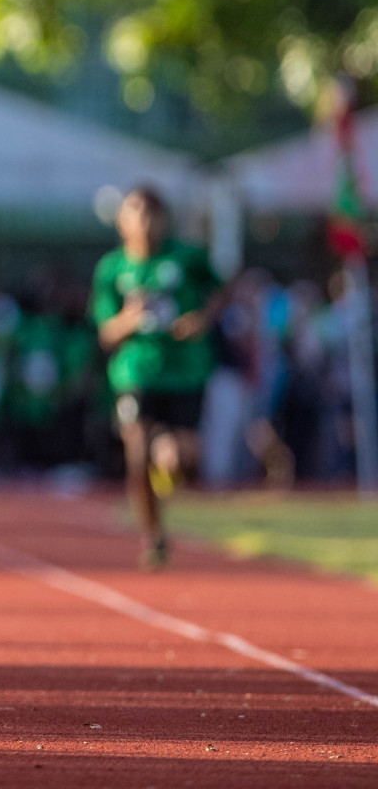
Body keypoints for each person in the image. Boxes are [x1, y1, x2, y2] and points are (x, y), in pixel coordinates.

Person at [92, 186, 222, 571]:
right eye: (137, 213)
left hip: (184, 371)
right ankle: (153, 536)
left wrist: (202, 319)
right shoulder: (113, 269)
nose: (146, 223)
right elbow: (105, 332)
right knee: (136, 454)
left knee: (181, 458)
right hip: (137, 372)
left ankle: (166, 465)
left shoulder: (187, 258)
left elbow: (220, 290)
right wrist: (128, 321)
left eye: (153, 214)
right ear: (122, 221)